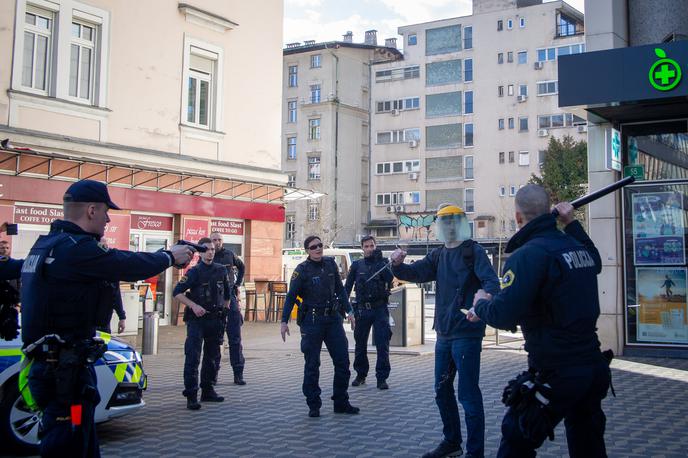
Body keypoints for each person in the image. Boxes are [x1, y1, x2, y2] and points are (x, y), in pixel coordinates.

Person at [20, 180, 193, 458]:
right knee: (67, 442)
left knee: (80, 440)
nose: (108, 218)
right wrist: (168, 256)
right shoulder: (76, 249)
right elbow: (124, 264)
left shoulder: (48, 244)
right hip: (63, 372)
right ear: (91, 210)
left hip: (58, 367)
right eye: (105, 211)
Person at [467, 184, 611, 458]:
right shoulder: (574, 247)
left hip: (558, 371)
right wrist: (571, 224)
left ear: (518, 218)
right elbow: (595, 260)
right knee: (588, 445)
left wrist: (482, 303)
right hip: (592, 369)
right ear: (550, 212)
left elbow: (504, 314)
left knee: (516, 439)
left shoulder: (528, 255)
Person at [390, 204, 499, 458]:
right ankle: (452, 442)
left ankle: (475, 452)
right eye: (444, 222)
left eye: (453, 222)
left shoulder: (474, 251)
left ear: (460, 223)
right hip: (444, 334)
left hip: (467, 334)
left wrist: (482, 301)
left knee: (468, 395)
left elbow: (492, 282)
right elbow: (415, 273)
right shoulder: (438, 255)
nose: (448, 227)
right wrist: (397, 264)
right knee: (441, 390)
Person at [280, 235, 359, 418]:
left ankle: (341, 401)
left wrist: (350, 311)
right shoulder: (302, 270)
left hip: (333, 320)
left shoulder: (330, 264)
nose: (318, 249)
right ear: (307, 250)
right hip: (312, 322)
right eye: (314, 247)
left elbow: (340, 290)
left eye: (320, 246)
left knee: (343, 362)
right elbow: (291, 297)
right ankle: (313, 404)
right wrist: (284, 321)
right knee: (312, 364)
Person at [174, 237, 230, 410]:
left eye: (213, 249)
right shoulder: (194, 272)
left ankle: (208, 389)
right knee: (193, 357)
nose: (210, 252)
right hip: (197, 320)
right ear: (200, 252)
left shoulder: (221, 270)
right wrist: (193, 305)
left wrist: (224, 312)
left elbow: (228, 295)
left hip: (215, 319)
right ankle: (191, 394)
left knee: (213, 357)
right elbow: (177, 292)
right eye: (206, 249)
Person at [344, 235, 394, 390]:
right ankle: (361, 375)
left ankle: (382, 378)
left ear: (376, 246)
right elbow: (347, 288)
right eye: (366, 246)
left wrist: (381, 263)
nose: (370, 249)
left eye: (372, 245)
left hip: (380, 309)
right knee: (360, 344)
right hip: (362, 309)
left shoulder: (383, 262)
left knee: (382, 344)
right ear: (362, 248)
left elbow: (390, 279)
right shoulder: (357, 265)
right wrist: (347, 310)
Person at [210, 231, 246, 385]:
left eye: (219, 240)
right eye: (214, 240)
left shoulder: (230, 254)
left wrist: (237, 285)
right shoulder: (207, 255)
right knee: (214, 341)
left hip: (230, 299)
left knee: (235, 339)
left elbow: (242, 267)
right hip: (214, 302)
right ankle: (212, 375)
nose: (217, 242)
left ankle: (238, 374)